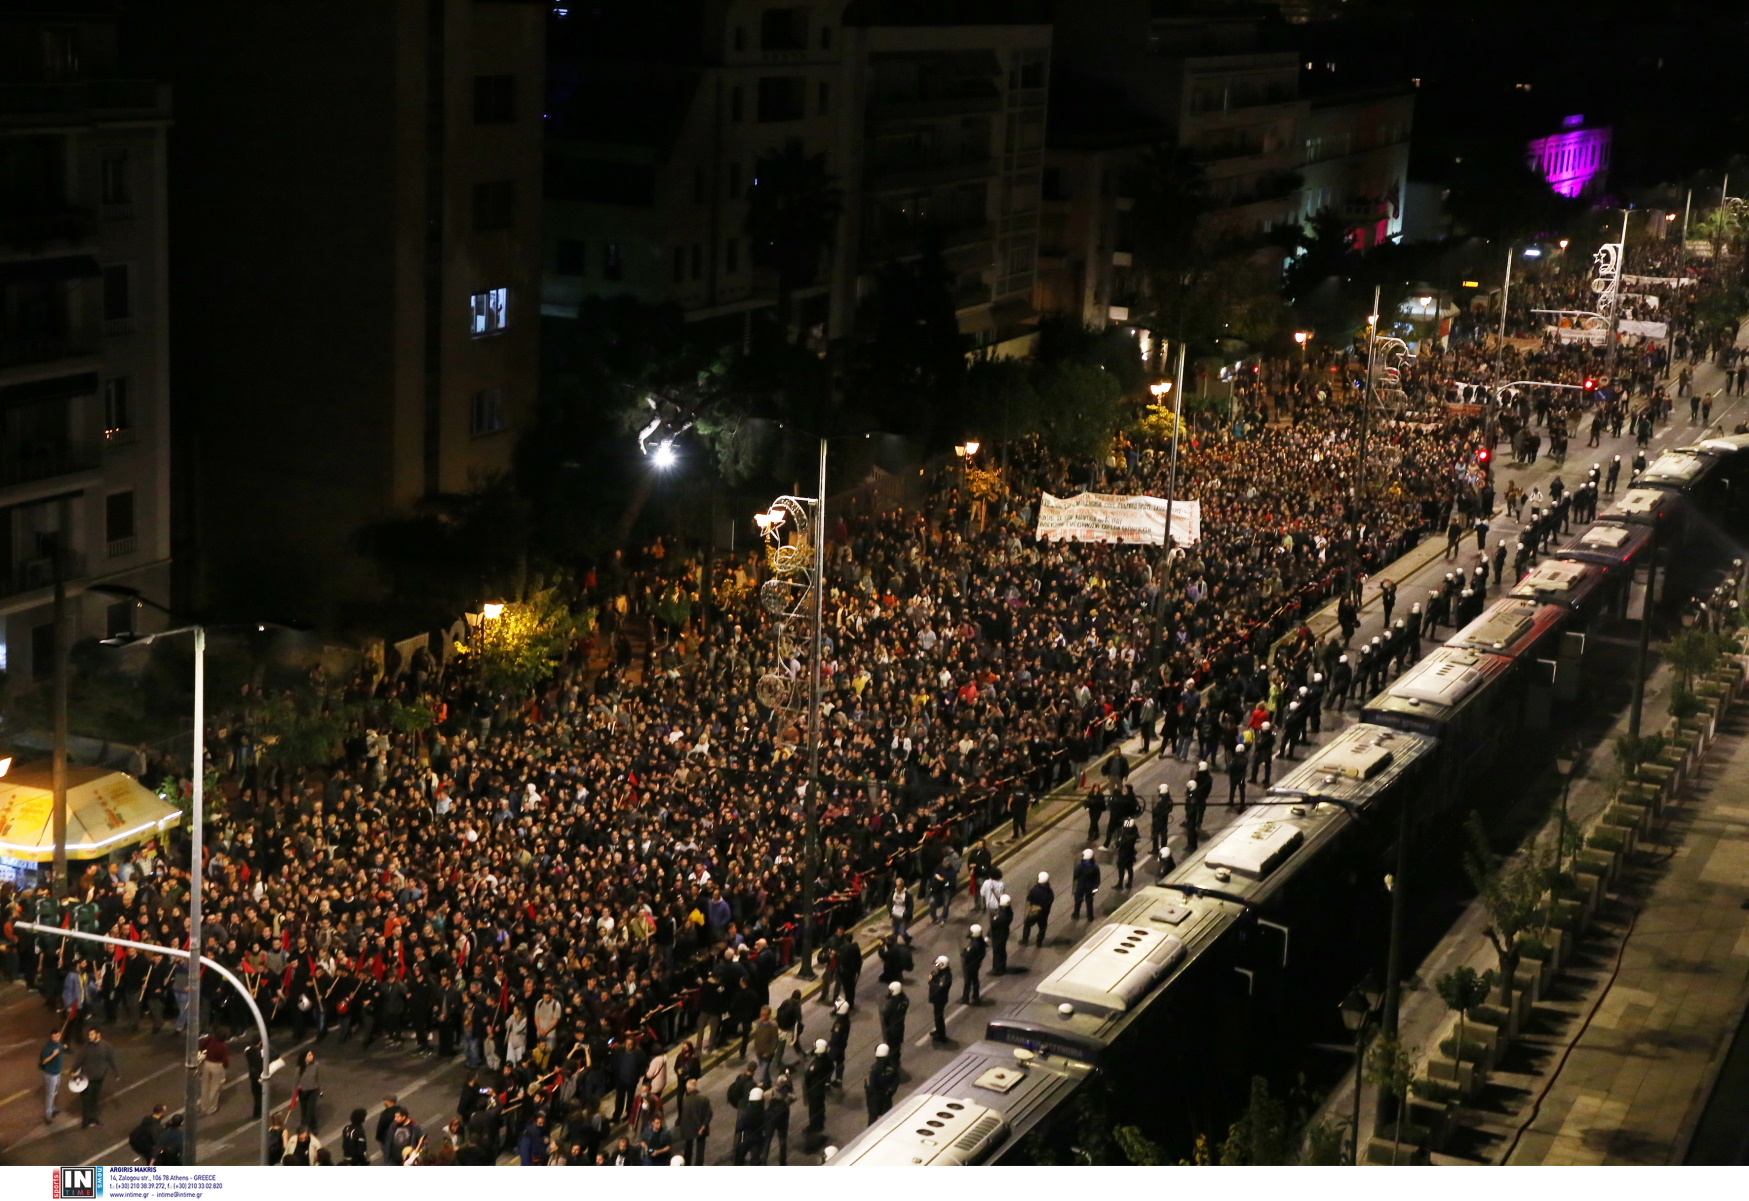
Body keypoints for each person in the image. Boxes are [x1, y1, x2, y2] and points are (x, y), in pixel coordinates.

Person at [75, 1027, 118, 1128]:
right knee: (86, 1100)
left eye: (92, 1034)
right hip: (87, 1079)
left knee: (95, 1100)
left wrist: (116, 1073)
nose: (90, 1037)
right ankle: (85, 1121)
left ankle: (94, 1119)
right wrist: (73, 1070)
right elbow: (79, 1060)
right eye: (89, 1035)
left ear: (98, 1035)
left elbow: (111, 1060)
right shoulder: (85, 1047)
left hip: (99, 1078)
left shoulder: (106, 1046)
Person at [674, 1077, 713, 1166]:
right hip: (702, 1128)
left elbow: (689, 1115)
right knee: (700, 1150)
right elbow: (709, 1114)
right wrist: (703, 1126)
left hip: (690, 1128)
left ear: (688, 1088)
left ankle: (687, 1164)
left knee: (688, 1148)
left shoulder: (686, 1101)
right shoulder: (704, 1099)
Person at [733, 1085, 767, 1166]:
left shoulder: (746, 1113)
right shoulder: (764, 1113)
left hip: (746, 1138)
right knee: (755, 1160)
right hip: (758, 1139)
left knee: (739, 1158)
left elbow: (739, 1127)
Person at [198, 1029, 229, 1115]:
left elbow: (201, 1045)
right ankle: (211, 1108)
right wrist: (226, 1066)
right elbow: (225, 1059)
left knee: (205, 1085)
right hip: (217, 1066)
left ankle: (203, 1106)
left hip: (207, 1063)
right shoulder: (223, 1046)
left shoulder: (211, 1040)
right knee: (214, 1087)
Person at [864, 1045, 898, 1123]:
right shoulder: (892, 1066)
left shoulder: (875, 1068)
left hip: (875, 1097)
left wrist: (868, 1092)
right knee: (886, 1118)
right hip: (887, 1096)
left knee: (873, 1117)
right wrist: (891, 1090)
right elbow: (896, 1079)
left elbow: (873, 1084)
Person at [292, 1049, 322, 1135]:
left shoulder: (315, 1066)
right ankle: (304, 1128)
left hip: (313, 1090)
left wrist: (320, 1090)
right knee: (304, 1111)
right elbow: (296, 1082)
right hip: (303, 1092)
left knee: (311, 1110)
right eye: (309, 1055)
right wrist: (294, 1095)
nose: (311, 1056)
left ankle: (313, 1127)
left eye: (311, 1055)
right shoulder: (299, 1068)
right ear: (304, 1058)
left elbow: (317, 1078)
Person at [879, 981, 909, 1065]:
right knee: (897, 1046)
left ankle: (893, 1063)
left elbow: (885, 1014)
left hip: (892, 1028)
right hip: (900, 1026)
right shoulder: (905, 1000)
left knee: (892, 1046)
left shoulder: (892, 1004)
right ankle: (896, 1059)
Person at [39, 1029, 64, 1125]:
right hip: (50, 1074)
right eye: (54, 1037)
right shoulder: (48, 1048)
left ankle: (52, 1108)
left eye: (57, 1036)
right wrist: (53, 1055)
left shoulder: (59, 1044)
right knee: (50, 1093)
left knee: (55, 1091)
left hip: (57, 1072)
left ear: (60, 1035)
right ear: (51, 1037)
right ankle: (48, 1113)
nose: (56, 1039)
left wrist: (63, 1048)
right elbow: (44, 1061)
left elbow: (61, 1051)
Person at [1023, 871, 1054, 947]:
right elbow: (1051, 900)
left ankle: (1025, 940)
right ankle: (1039, 942)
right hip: (1044, 913)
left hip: (1034, 911)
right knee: (1042, 927)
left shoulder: (1034, 890)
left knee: (1027, 924)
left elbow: (1029, 898)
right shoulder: (1050, 892)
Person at [927, 956, 953, 1042]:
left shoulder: (945, 976)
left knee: (939, 1017)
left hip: (940, 999)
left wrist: (931, 981)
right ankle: (938, 1030)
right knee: (937, 1016)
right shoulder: (941, 973)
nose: (936, 966)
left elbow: (938, 988)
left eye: (938, 965)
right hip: (937, 998)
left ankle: (941, 1035)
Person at [960, 924, 986, 1004]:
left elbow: (967, 955)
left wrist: (964, 952)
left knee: (968, 981)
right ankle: (975, 996)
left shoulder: (973, 945)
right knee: (975, 979)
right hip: (976, 964)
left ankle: (965, 998)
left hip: (970, 965)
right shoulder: (981, 942)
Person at [1072, 848, 1100, 920]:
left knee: (1078, 901)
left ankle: (1076, 914)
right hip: (1090, 887)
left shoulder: (1080, 865)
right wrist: (1095, 887)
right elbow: (1097, 878)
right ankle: (1090, 916)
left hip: (1081, 886)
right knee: (1089, 901)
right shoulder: (1095, 866)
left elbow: (1075, 875)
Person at [990, 893, 1013, 974]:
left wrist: (993, 918)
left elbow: (993, 923)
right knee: (1002, 950)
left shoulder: (1001, 915)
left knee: (997, 952)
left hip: (998, 934)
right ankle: (1002, 967)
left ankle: (997, 970)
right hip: (1004, 932)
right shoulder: (1009, 911)